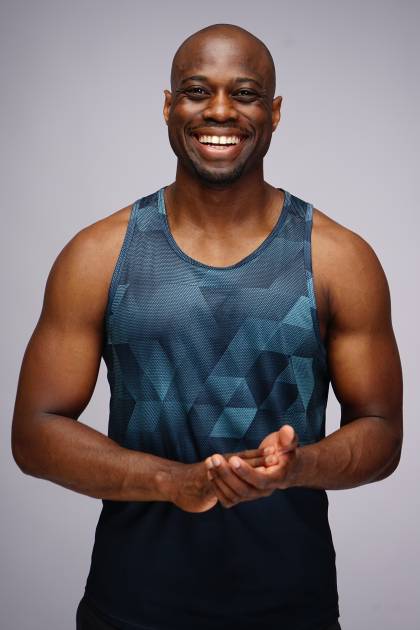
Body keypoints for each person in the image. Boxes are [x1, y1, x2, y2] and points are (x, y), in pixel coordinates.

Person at [11, 21, 403, 630]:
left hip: (291, 610)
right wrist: (174, 482)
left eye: (244, 94)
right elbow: (35, 433)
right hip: (130, 609)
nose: (220, 111)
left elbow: (382, 433)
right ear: (169, 107)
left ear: (274, 113)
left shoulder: (338, 259)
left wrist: (299, 468)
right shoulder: (96, 255)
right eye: (198, 91)